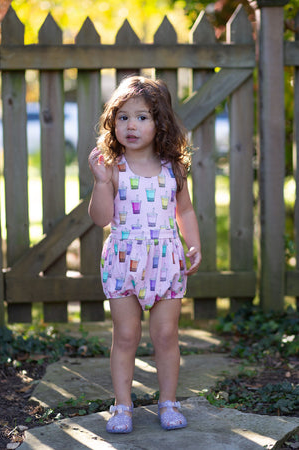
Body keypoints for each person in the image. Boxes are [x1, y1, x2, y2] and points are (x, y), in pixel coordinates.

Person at [88, 76, 201, 434]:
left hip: (167, 261)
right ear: (112, 122)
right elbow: (101, 218)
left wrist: (193, 244)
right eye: (122, 117)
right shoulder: (113, 168)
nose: (131, 125)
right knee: (125, 335)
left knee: (166, 334)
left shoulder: (174, 169)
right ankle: (122, 406)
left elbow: (185, 211)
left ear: (160, 122)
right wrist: (102, 182)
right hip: (123, 262)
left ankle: (168, 401)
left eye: (141, 117)